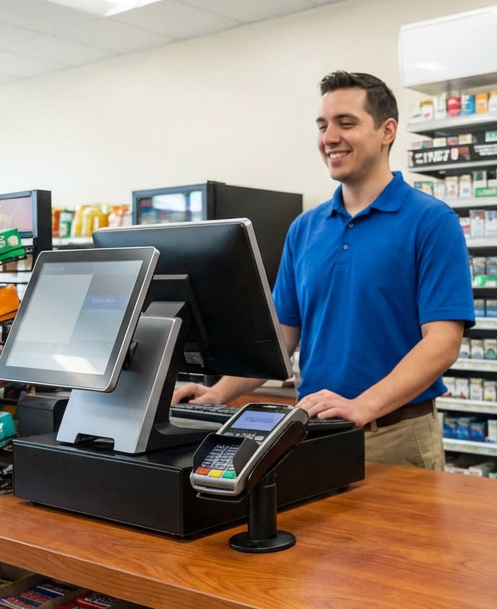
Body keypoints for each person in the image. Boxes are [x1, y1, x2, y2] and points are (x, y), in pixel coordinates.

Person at [172, 71, 473, 469]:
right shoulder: (305, 228)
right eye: (322, 125)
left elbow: (442, 342)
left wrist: (362, 406)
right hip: (310, 429)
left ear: (387, 131)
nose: (329, 137)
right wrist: (218, 394)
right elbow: (282, 335)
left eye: (346, 123)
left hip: (394, 435)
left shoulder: (431, 221)